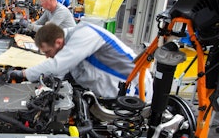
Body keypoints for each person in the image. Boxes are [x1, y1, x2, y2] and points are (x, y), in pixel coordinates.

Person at [10, 23, 153, 100]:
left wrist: (22, 74)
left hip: (135, 89)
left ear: (58, 42)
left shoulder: (85, 34)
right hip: (109, 93)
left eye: (47, 52)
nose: (47, 56)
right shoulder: (69, 44)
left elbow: (57, 66)